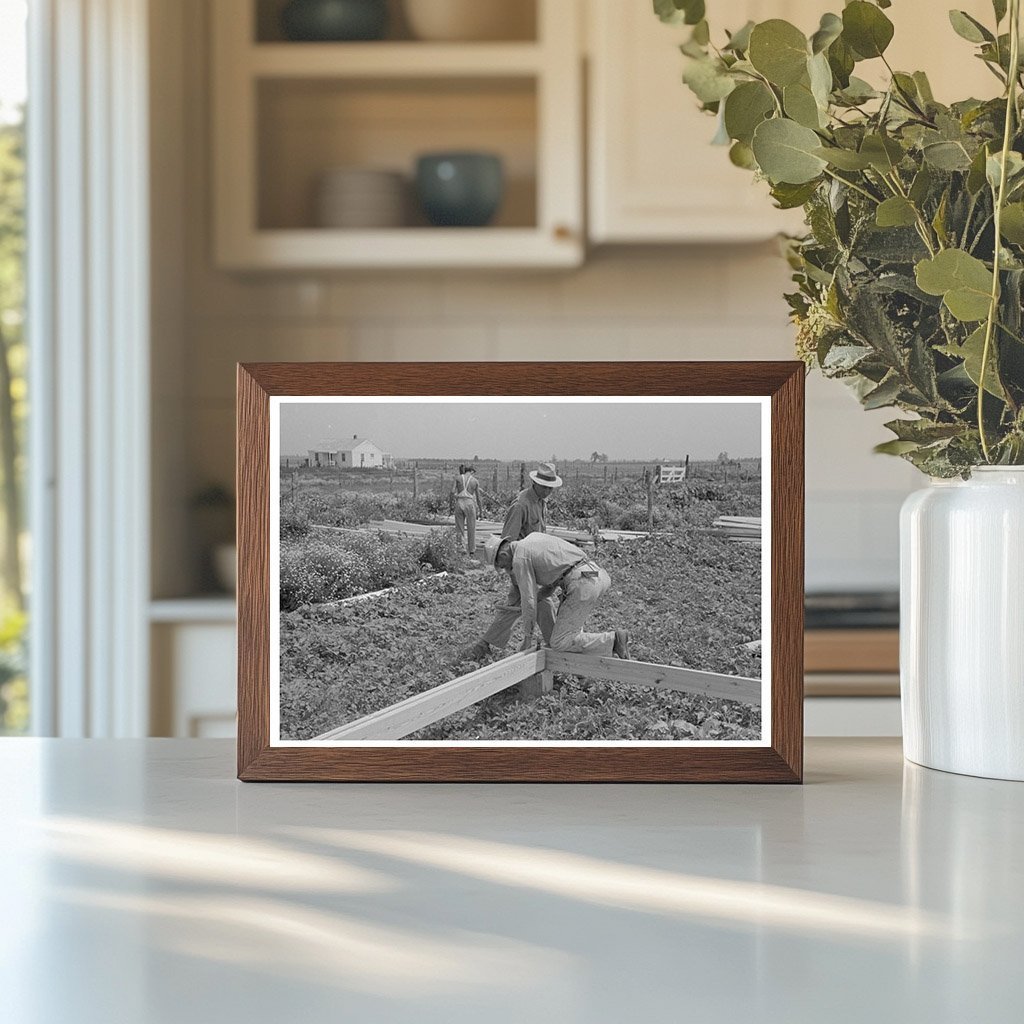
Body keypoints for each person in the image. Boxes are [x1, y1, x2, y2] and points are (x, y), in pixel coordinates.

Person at [459, 462, 563, 661]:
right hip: (522, 566)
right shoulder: (521, 505)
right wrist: (517, 574)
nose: (548, 491)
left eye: (551, 487)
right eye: (545, 487)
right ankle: (556, 645)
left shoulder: (541, 502)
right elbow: (507, 545)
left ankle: (484, 645)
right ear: (535, 483)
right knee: (543, 602)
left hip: (535, 565)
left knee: (518, 604)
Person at [479, 533, 629, 658]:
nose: (506, 570)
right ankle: (579, 671)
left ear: (504, 554)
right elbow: (555, 579)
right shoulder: (533, 538)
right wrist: (535, 599)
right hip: (595, 573)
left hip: (582, 582)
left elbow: (529, 601)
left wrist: (527, 638)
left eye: (503, 566)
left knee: (559, 642)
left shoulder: (520, 558)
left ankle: (613, 640)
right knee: (572, 633)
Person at [451, 464, 482, 555]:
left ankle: (461, 548)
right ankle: (471, 549)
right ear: (472, 471)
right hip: (469, 503)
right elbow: (479, 498)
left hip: (459, 501)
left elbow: (452, 492)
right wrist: (481, 510)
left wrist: (451, 505)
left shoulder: (458, 478)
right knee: (471, 527)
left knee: (459, 528)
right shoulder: (475, 481)